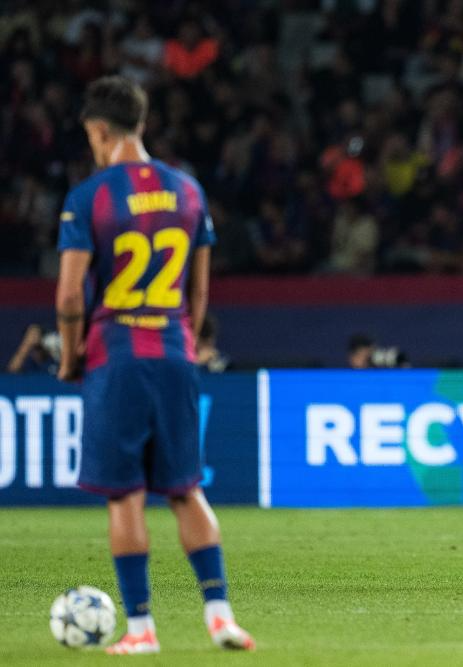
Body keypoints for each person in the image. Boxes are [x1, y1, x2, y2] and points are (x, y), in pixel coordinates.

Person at [55, 76, 254, 654]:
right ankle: (221, 618)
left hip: (115, 355)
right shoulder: (188, 191)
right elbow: (199, 292)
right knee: (186, 489)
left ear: (99, 130)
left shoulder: (89, 196)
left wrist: (70, 357)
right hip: (173, 352)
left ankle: (141, 629)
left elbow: (69, 297)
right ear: (140, 123)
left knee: (125, 495)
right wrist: (183, 341)